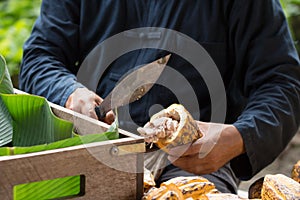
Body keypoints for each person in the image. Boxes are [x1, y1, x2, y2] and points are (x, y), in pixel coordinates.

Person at [19, 0, 300, 194]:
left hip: (193, 161)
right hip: (93, 148)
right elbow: (41, 56)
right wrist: (69, 92)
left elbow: (282, 83)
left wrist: (240, 136)